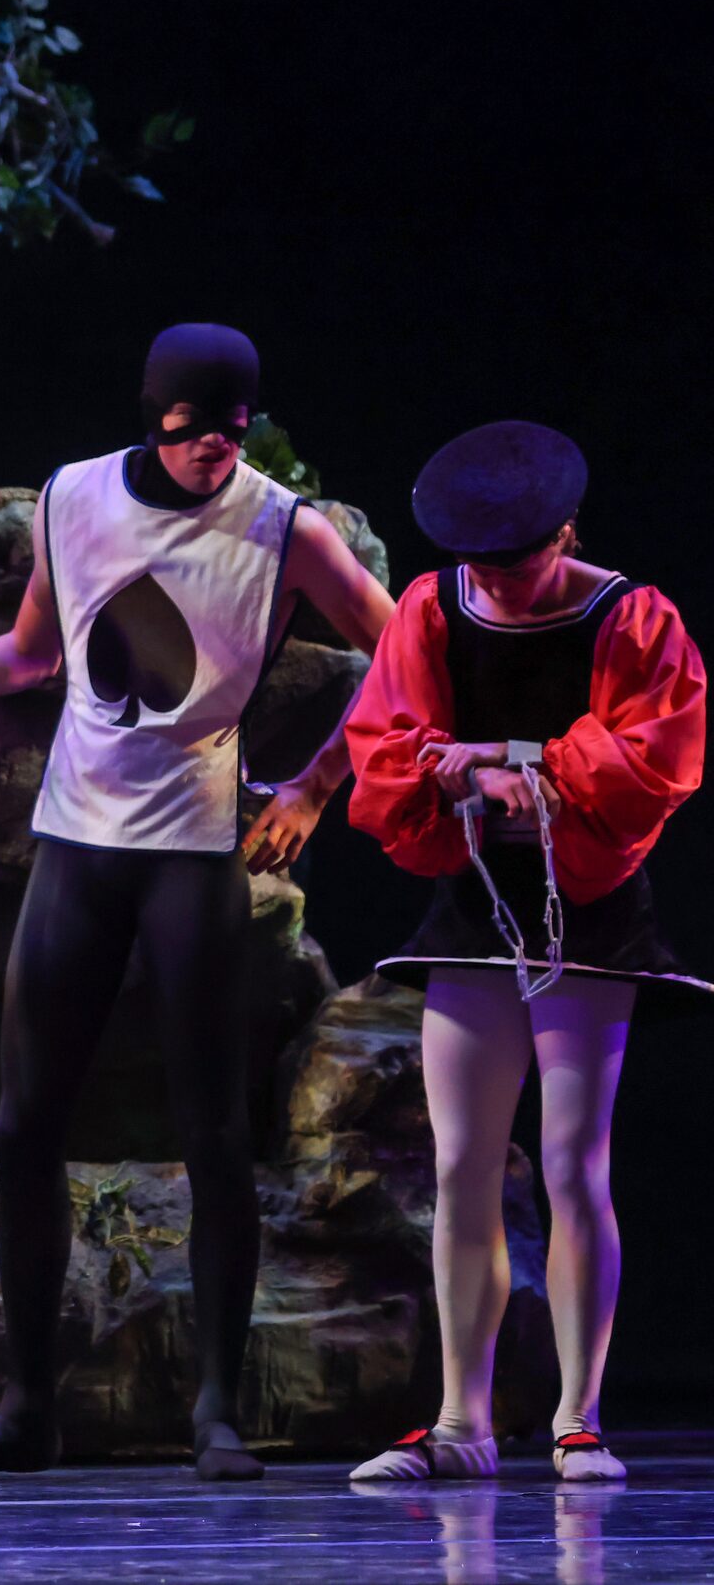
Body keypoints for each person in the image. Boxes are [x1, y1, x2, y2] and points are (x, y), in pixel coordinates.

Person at [0, 323, 396, 1482]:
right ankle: (26, 1410)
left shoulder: (281, 525)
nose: (213, 455)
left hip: (192, 857)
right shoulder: (75, 497)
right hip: (76, 849)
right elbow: (32, 657)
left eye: (232, 433)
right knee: (20, 1128)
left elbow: (401, 659)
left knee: (212, 1137)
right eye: (195, 433)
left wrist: (314, 785)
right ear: (156, 418)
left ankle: (214, 1415)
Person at [342, 422, 703, 1486]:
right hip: (473, 904)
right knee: (459, 1165)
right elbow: (386, 750)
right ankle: (462, 1424)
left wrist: (505, 760)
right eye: (480, 570)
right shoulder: (430, 606)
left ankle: (577, 1417)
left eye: (515, 565)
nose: (494, 588)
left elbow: (654, 760)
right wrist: (460, 777)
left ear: (564, 533)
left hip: (584, 914)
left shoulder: (630, 617)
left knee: (569, 1165)